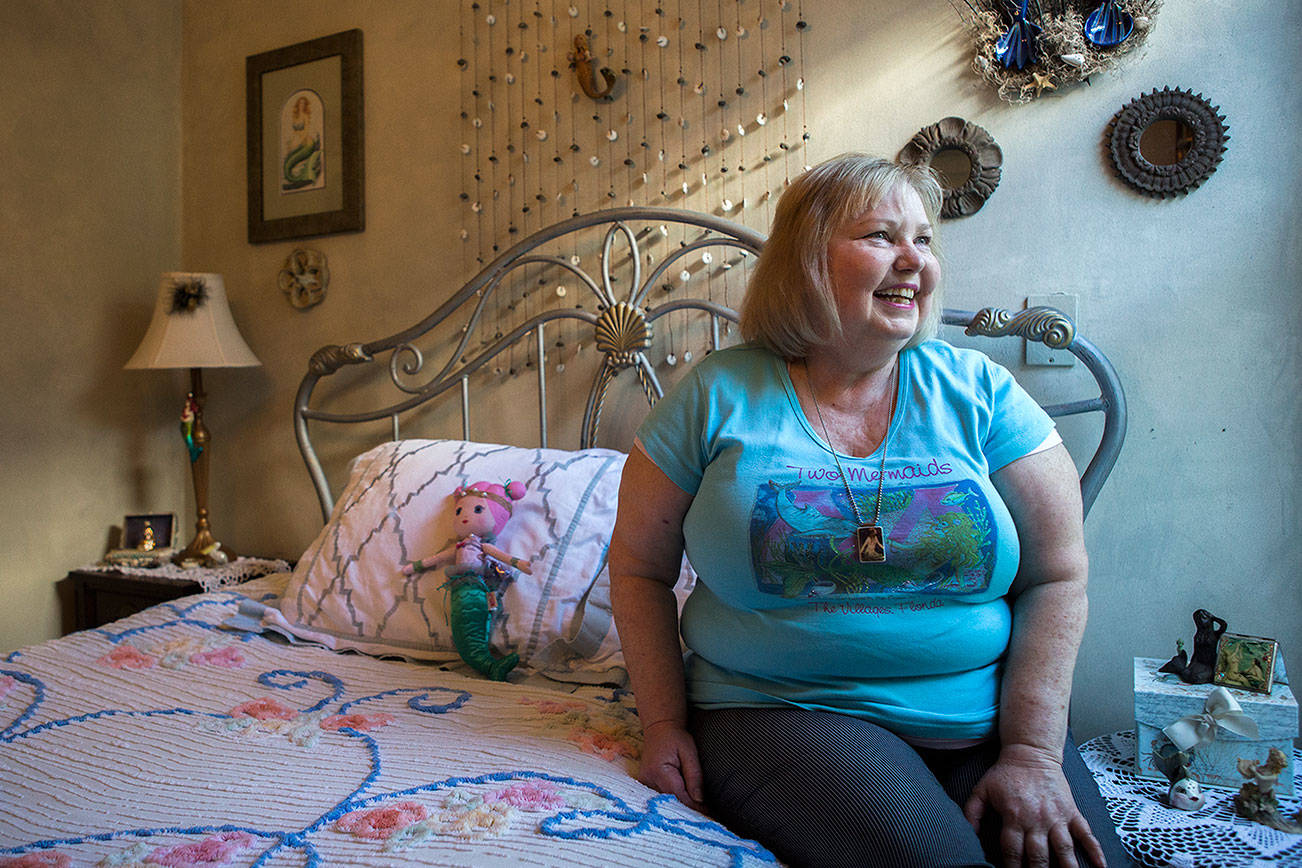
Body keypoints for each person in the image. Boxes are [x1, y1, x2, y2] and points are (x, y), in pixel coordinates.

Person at [609, 153, 1129, 867]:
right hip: (786, 712)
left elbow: (1058, 577)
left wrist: (1034, 752)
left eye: (924, 239)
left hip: (984, 723)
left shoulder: (982, 391)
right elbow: (638, 569)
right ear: (805, 262)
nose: (914, 260)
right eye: (882, 237)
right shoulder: (716, 394)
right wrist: (664, 723)